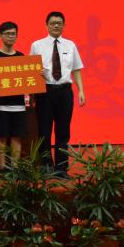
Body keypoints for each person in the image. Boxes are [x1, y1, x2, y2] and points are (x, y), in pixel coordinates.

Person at [29, 11, 85, 178]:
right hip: (44, 92)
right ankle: (46, 166)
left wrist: (81, 90)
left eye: (59, 23)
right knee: (44, 131)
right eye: (52, 23)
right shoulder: (37, 45)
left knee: (63, 131)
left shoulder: (70, 45)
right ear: (46, 25)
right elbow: (31, 70)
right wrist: (32, 91)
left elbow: (76, 69)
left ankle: (61, 168)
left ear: (63, 25)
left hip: (65, 91)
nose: (56, 25)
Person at [0, 21, 27, 169]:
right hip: (0, 104)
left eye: (13, 34)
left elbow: (28, 79)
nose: (10, 36)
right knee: (1, 137)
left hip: (18, 104)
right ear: (0, 36)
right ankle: (3, 168)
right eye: (7, 34)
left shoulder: (21, 57)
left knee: (16, 137)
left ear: (17, 36)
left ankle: (15, 168)